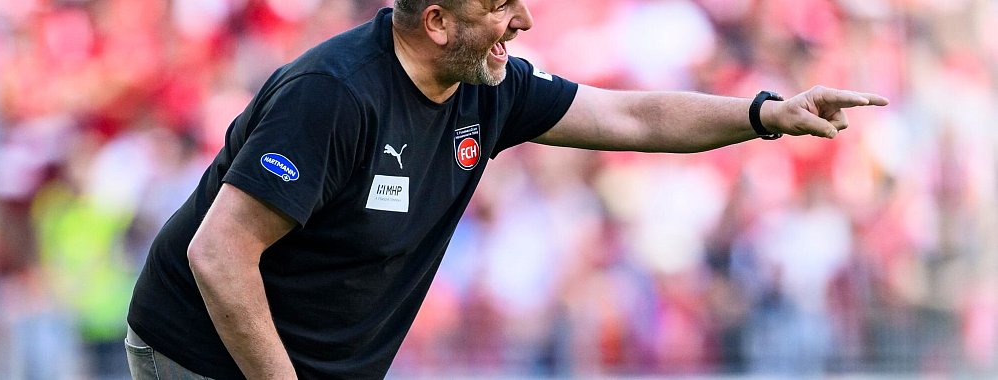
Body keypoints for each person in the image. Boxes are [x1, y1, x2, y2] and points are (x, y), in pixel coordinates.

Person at [125, 0, 889, 379]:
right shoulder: (333, 94)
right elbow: (220, 254)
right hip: (201, 354)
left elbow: (635, 115)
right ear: (435, 22)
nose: (520, 21)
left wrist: (765, 114)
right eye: (497, 7)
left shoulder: (488, 86)